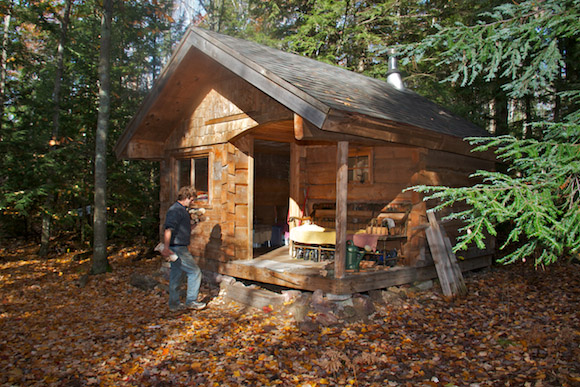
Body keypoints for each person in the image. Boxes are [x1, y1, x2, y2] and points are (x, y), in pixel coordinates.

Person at [161, 186, 206, 311]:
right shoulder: (175, 210)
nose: (192, 203)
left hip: (178, 246)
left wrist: (195, 225)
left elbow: (183, 229)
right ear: (186, 198)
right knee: (195, 272)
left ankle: (174, 304)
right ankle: (191, 301)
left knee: (176, 274)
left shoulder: (182, 210)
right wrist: (166, 247)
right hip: (178, 248)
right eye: (191, 200)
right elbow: (168, 229)